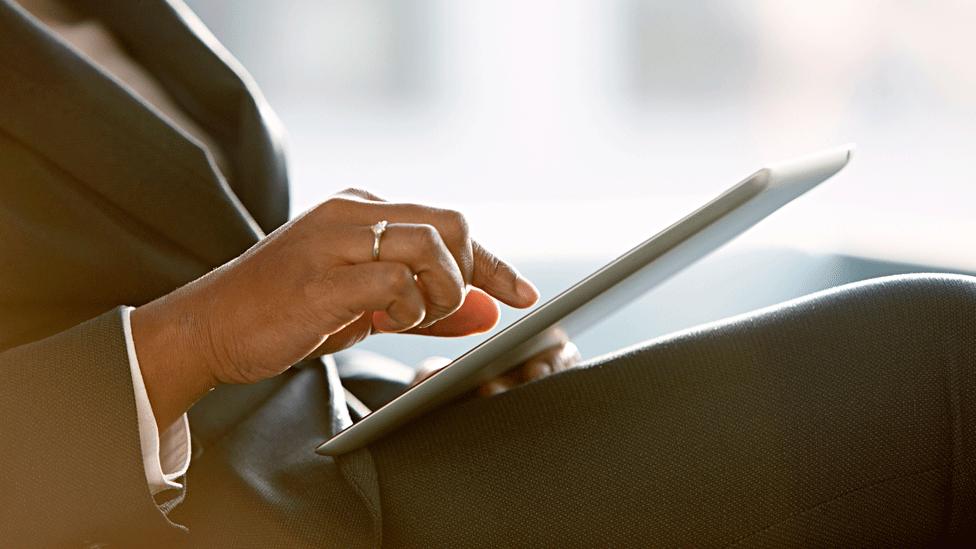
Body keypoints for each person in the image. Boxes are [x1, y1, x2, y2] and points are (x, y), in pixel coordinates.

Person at [1, 0, 974, 546]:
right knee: (940, 359)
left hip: (344, 473)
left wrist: (402, 396)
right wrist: (198, 335)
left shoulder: (122, 18)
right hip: (221, 531)